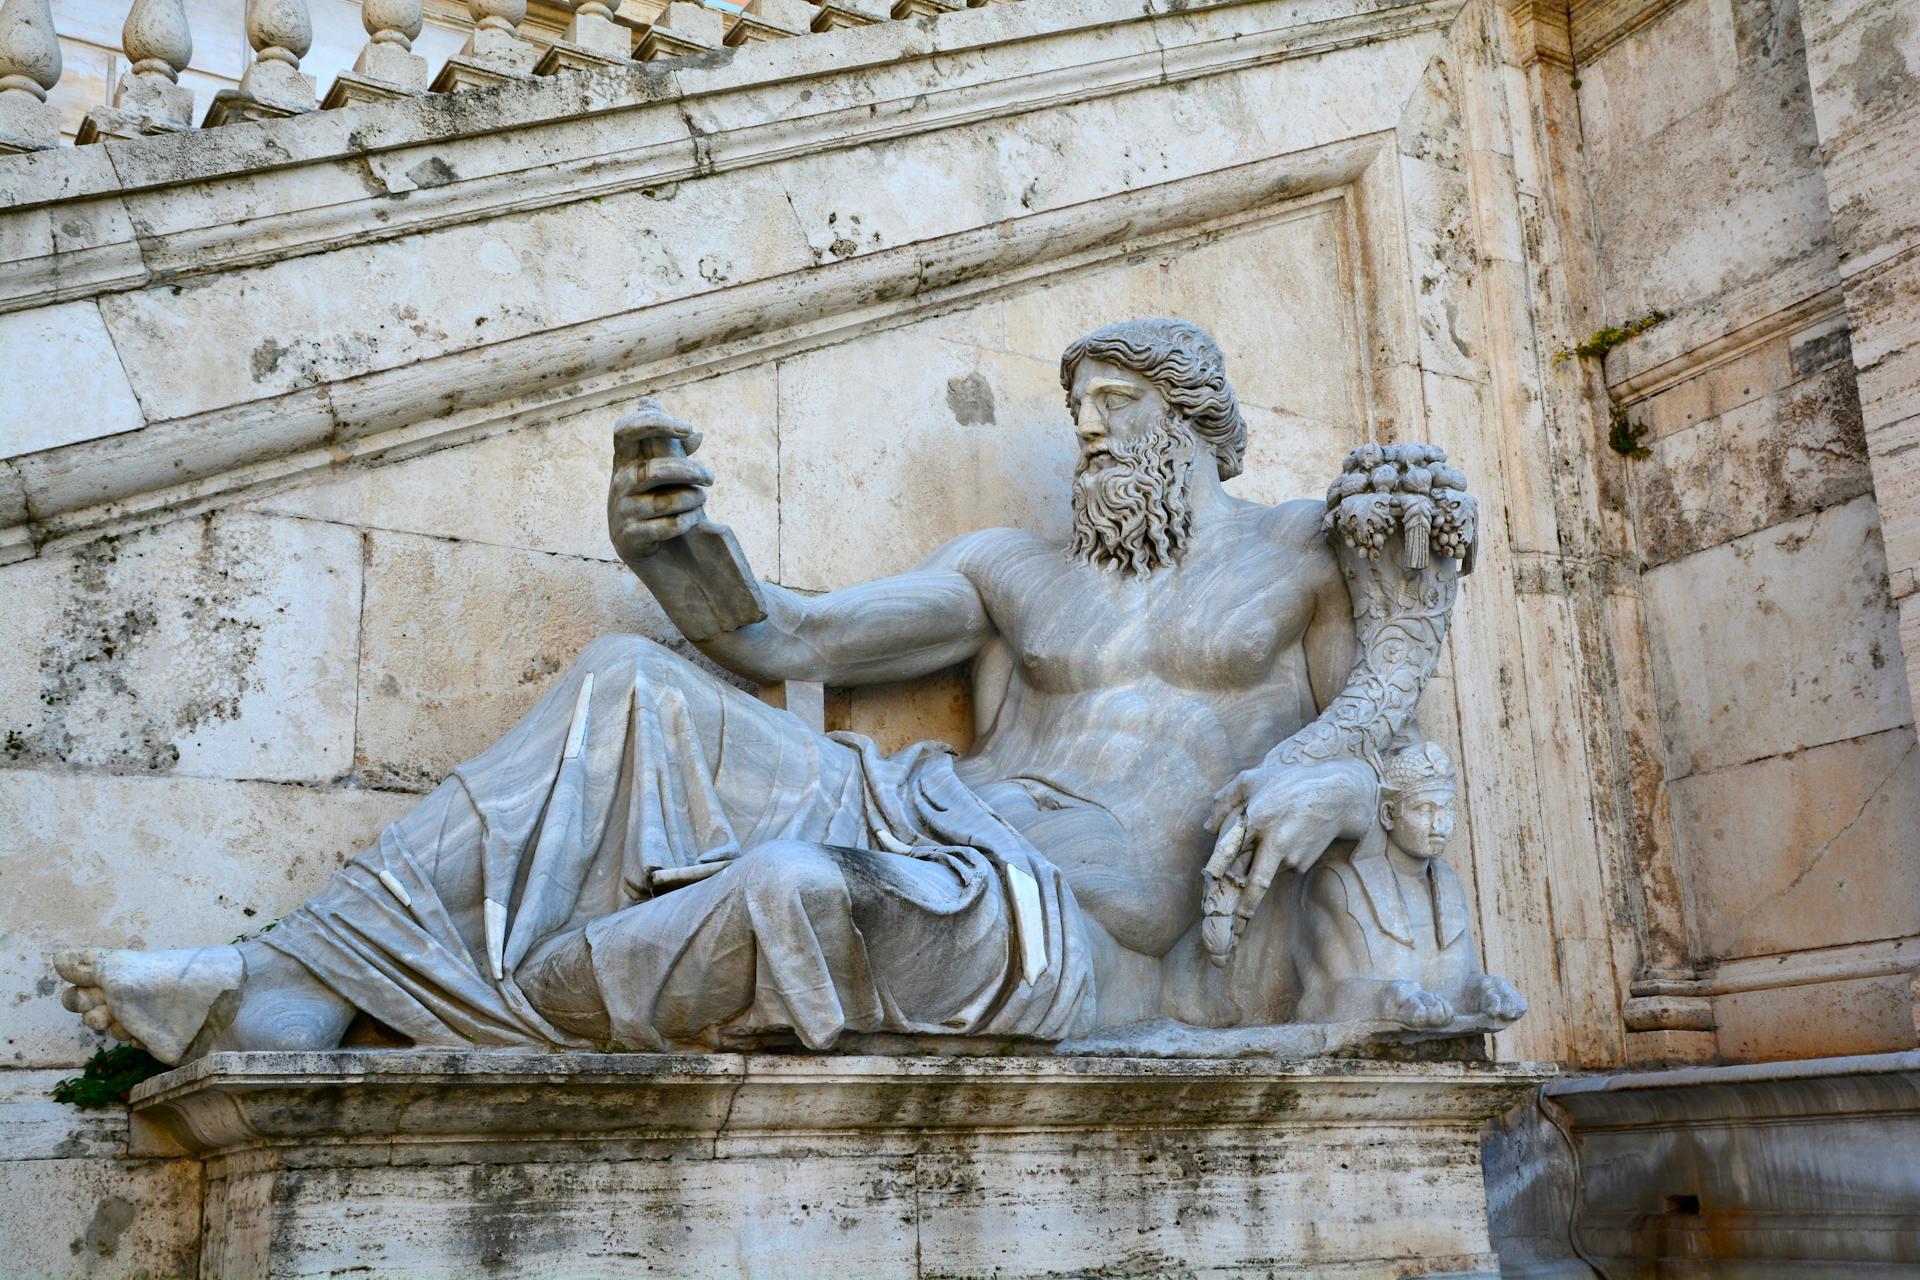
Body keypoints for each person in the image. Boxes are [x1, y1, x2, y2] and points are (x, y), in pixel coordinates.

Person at [54, 319, 1398, 1063]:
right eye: (1079, 403)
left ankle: (418, 991)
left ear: (1193, 414)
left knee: (796, 883)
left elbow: (1383, 697)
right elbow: (788, 640)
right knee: (631, 679)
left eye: (1115, 400)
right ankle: (295, 976)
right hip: (929, 808)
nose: (1090, 427)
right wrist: (676, 550)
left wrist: (1332, 766)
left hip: (1061, 905)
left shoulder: (1302, 553)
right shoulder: (1014, 571)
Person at [1292, 737, 1527, 1028]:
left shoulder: (1448, 883)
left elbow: (1448, 984)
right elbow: (1322, 1000)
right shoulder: (1340, 883)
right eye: (1425, 810)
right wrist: (1389, 999)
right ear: (1388, 814)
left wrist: (1483, 989)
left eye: (1446, 809)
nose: (1439, 825)